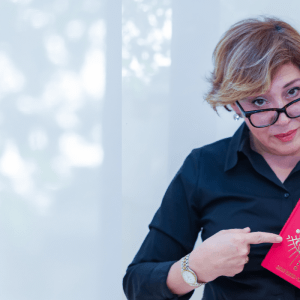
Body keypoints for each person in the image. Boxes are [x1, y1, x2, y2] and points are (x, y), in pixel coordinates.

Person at [123, 16, 300, 300]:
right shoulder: (203, 168)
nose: (283, 117)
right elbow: (137, 283)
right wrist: (195, 268)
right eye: (259, 101)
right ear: (235, 105)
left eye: (293, 92)